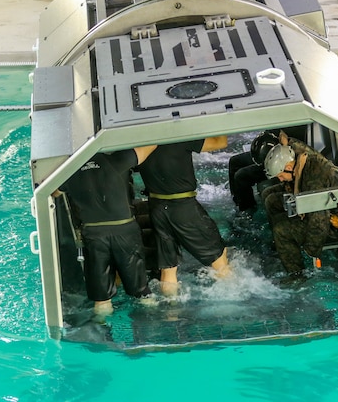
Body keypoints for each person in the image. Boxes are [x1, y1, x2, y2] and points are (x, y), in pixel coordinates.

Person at [58, 145, 158, 316]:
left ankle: (101, 334)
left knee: (101, 299)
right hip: (125, 230)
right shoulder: (117, 159)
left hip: (93, 235)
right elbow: (151, 145)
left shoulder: (68, 169)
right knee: (142, 293)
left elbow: (51, 191)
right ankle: (152, 324)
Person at [138, 136, 232, 296]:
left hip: (157, 207)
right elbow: (220, 142)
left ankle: (171, 312)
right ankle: (233, 298)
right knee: (219, 258)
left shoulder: (140, 140)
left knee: (168, 269)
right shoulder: (178, 136)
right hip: (184, 207)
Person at [261, 132, 338, 276]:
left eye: (280, 175)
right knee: (269, 197)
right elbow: (291, 142)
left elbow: (319, 220)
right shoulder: (296, 155)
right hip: (312, 202)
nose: (281, 180)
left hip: (331, 221)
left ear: (289, 168)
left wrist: (310, 250)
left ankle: (297, 275)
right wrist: (287, 140)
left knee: (281, 230)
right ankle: (282, 248)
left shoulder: (314, 179)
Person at [228, 131, 279, 213]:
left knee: (241, 176)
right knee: (235, 161)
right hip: (271, 151)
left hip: (279, 159)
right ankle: (237, 201)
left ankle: (247, 210)